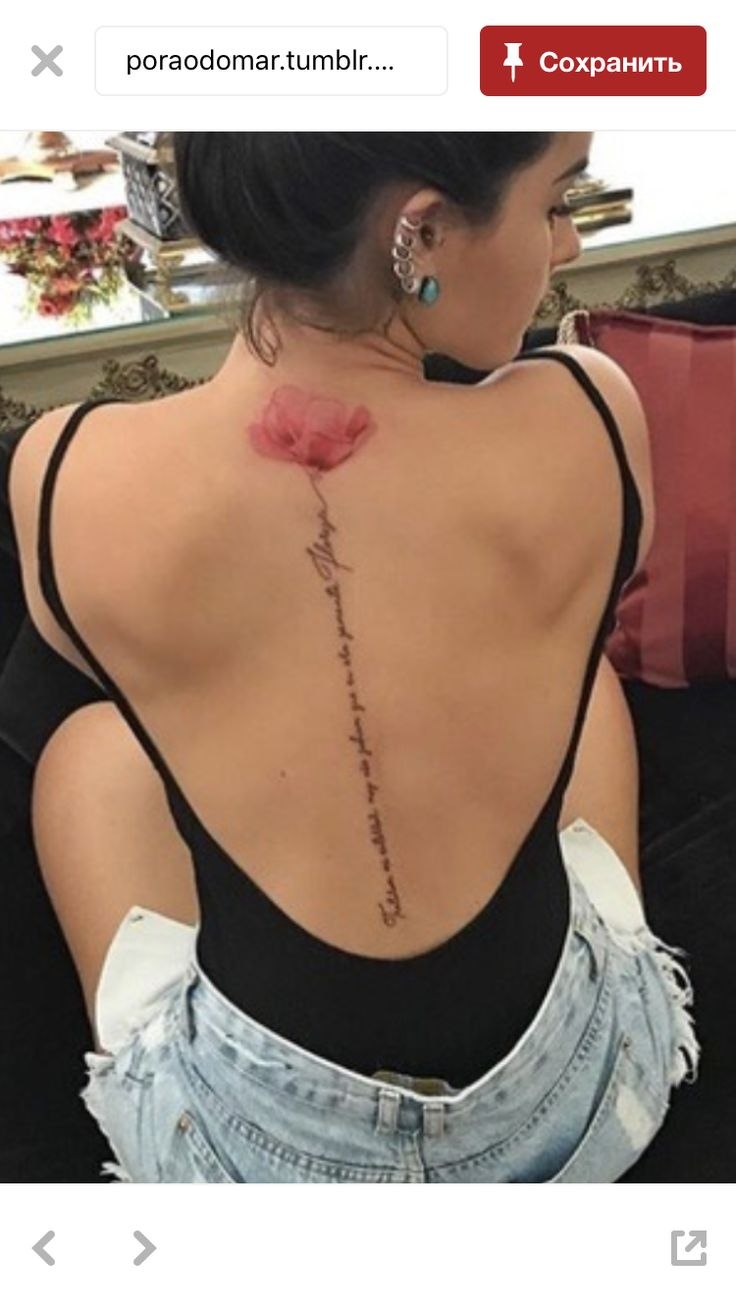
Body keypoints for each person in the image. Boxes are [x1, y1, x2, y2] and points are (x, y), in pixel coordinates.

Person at [11, 132, 699, 1183]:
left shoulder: (61, 469)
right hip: (574, 1107)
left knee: (92, 750)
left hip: (260, 1162)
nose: (565, 246)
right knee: (581, 671)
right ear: (418, 231)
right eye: (556, 203)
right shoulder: (591, 412)